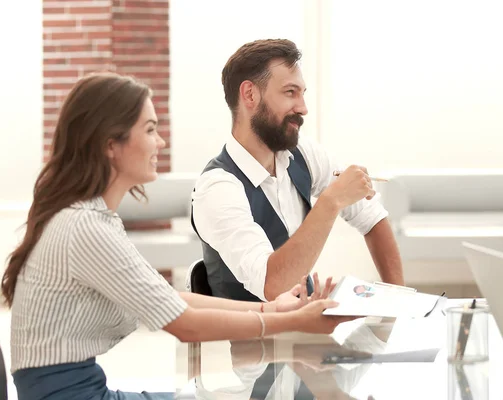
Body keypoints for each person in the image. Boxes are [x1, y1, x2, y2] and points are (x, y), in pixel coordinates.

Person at [0, 73, 352, 400]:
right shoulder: (85, 228)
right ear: (111, 144)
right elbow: (185, 325)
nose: (161, 141)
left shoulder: (92, 219)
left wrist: (269, 307)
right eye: (150, 129)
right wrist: (294, 321)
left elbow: (169, 298)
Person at [191, 39, 405, 303]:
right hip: (255, 339)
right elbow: (272, 285)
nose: (303, 108)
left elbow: (371, 217)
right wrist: (331, 201)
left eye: (302, 93)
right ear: (249, 95)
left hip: (306, 327)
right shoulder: (217, 189)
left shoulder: (302, 154)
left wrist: (400, 303)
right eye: (290, 92)